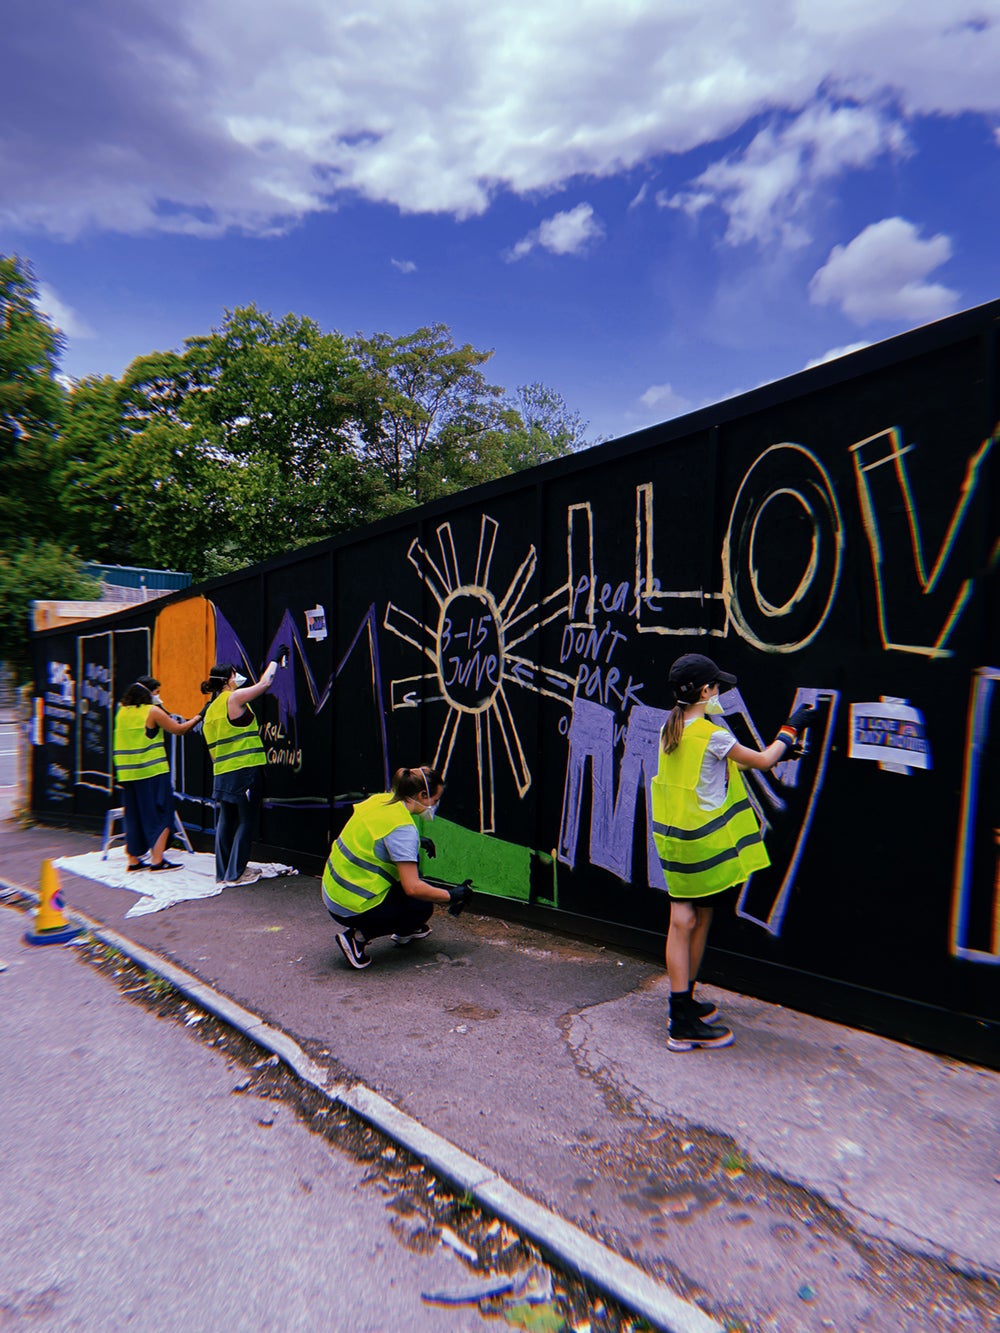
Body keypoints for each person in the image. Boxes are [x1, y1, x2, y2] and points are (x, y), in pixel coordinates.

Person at [651, 653, 817, 1052]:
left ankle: (684, 1003)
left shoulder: (670, 728)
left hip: (674, 842)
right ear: (705, 691)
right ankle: (681, 1022)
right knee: (688, 918)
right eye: (716, 687)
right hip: (703, 846)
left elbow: (709, 769)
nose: (720, 692)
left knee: (689, 917)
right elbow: (762, 760)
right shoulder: (713, 735)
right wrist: (789, 732)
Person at [322, 766, 472, 969]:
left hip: (333, 892)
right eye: (435, 800)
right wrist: (452, 895)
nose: (435, 805)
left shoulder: (380, 800)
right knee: (422, 906)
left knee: (413, 879)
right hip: (351, 907)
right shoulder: (403, 829)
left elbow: (379, 836)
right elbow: (413, 888)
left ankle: (405, 929)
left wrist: (417, 842)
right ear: (422, 794)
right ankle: (356, 938)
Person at [200, 657, 282, 887]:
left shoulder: (210, 711)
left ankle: (223, 872)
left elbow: (212, 751)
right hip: (244, 771)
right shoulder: (233, 698)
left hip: (223, 773)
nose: (237, 677)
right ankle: (236, 873)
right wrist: (275, 660)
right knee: (246, 821)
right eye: (234, 674)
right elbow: (265, 684)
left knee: (226, 820)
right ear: (227, 679)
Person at [112, 676, 200, 872]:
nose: (158, 696)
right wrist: (199, 716)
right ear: (148, 693)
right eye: (157, 692)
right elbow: (179, 730)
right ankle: (157, 860)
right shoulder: (153, 711)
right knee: (162, 814)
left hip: (127, 774)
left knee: (133, 816)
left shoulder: (121, 711)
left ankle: (133, 861)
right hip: (151, 772)